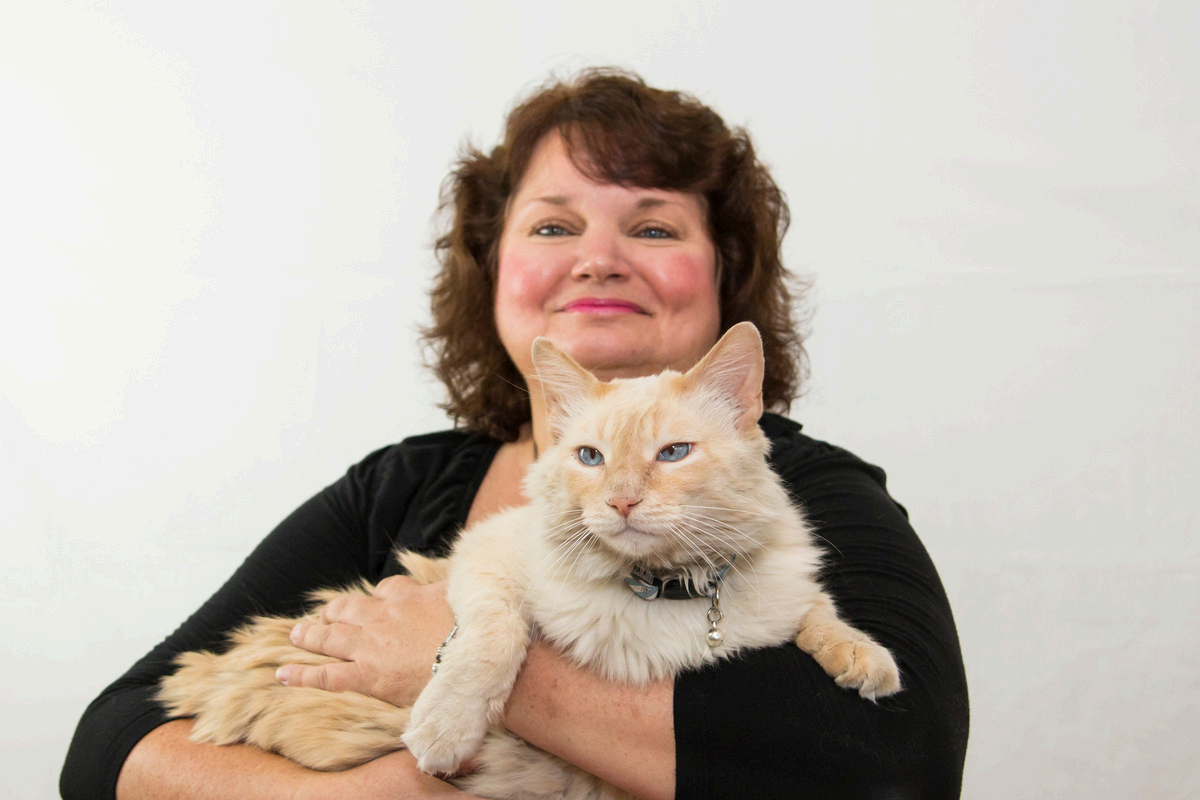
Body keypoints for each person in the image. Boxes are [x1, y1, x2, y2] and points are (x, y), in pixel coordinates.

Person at [61, 68, 969, 800]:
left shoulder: (812, 493)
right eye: (553, 225)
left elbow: (899, 767)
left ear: (725, 275)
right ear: (494, 270)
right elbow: (110, 745)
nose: (598, 258)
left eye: (653, 226)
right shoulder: (402, 487)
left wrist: (466, 665)